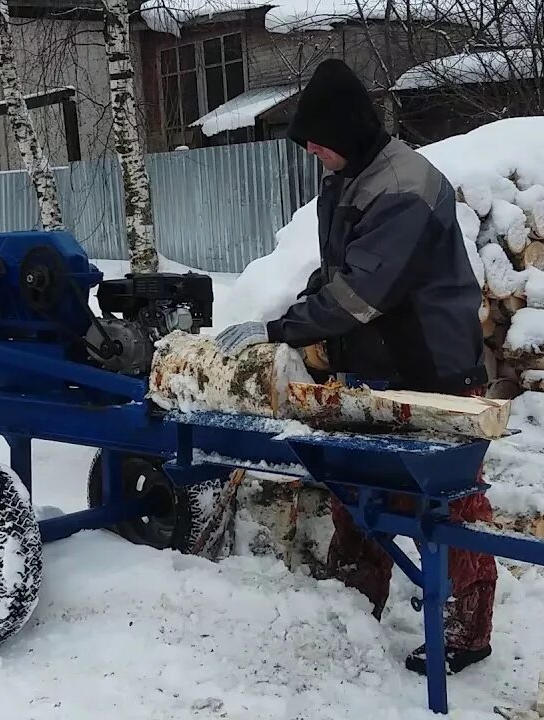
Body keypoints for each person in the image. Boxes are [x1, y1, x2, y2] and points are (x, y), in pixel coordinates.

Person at [213, 58, 497, 676]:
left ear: (345, 131)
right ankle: (349, 601)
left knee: (450, 503)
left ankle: (466, 629)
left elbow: (362, 294)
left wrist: (281, 326)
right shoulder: (346, 178)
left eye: (317, 141)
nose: (312, 152)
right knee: (358, 485)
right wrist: (298, 321)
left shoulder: (404, 187)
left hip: (434, 367)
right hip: (382, 365)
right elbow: (336, 271)